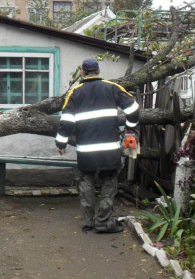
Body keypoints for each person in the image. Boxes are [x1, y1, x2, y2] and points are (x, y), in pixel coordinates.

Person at [55, 58, 139, 233]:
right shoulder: (112, 87)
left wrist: (61, 142)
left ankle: (88, 222)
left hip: (87, 151)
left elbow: (67, 120)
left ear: (82, 72)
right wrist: (131, 130)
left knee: (86, 183)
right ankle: (103, 220)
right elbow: (133, 108)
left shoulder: (75, 92)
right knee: (109, 183)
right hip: (110, 150)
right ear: (98, 71)